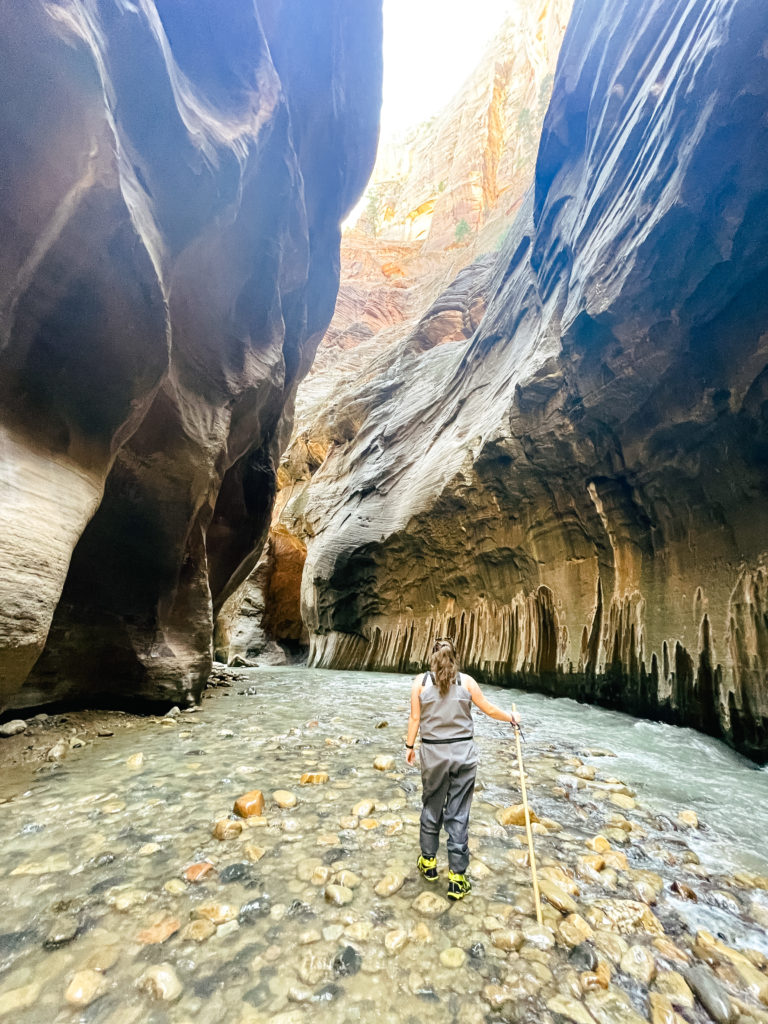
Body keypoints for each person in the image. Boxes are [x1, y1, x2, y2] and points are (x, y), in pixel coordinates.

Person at [404, 636, 521, 900]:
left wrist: (409, 747)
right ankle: (457, 878)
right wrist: (511, 718)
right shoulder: (467, 682)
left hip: (433, 754)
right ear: (454, 657)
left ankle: (429, 863)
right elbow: (489, 710)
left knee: (432, 805)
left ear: (431, 658)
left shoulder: (420, 684)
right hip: (463, 755)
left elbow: (414, 718)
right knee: (458, 813)